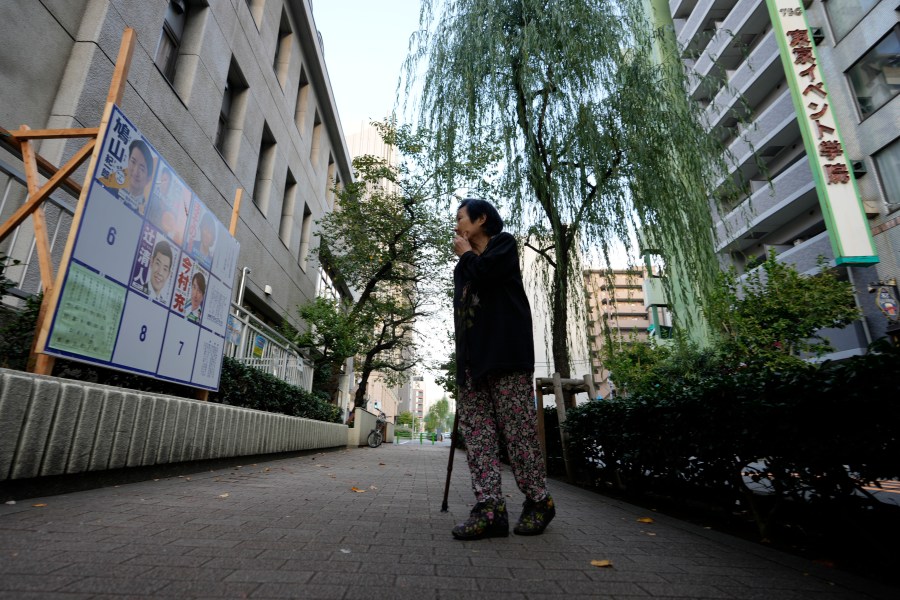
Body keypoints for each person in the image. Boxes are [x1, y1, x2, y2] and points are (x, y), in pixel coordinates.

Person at [450, 198, 555, 540]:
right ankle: (490, 509)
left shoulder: (504, 245)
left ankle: (539, 501)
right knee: (478, 438)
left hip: (507, 356)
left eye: (461, 218)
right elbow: (462, 316)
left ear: (481, 219)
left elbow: (486, 273)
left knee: (518, 435)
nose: (457, 225)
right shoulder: (462, 266)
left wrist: (466, 254)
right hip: (473, 364)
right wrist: (460, 365)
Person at [119, 139, 153, 214]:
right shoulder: (111, 190)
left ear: (148, 179)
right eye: (133, 162)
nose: (135, 171)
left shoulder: (146, 212)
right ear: (128, 161)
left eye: (142, 168)